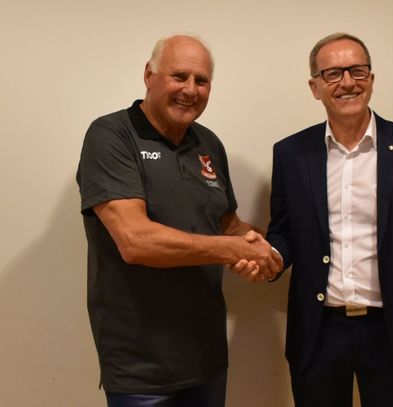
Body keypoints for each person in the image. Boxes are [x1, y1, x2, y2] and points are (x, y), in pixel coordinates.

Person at [76, 34, 281, 407]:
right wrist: (232, 249)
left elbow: (227, 225)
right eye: (179, 76)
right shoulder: (111, 136)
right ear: (149, 75)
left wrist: (267, 249)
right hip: (140, 369)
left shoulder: (208, 144)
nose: (190, 90)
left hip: (208, 359)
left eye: (201, 81)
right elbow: (135, 241)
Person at [265, 33, 393, 406]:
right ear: (315, 87)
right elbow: (284, 232)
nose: (347, 82)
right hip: (318, 332)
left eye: (357, 71)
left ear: (371, 79)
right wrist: (268, 257)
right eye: (333, 73)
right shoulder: (290, 153)